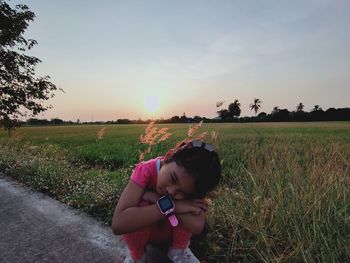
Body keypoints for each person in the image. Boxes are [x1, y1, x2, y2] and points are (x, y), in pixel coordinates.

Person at [112, 139, 222, 263]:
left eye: (183, 193)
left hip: (168, 236)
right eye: (173, 178)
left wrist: (157, 199)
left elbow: (197, 226)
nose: (171, 191)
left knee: (190, 207)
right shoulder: (146, 170)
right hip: (144, 233)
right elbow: (118, 224)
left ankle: (178, 251)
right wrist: (174, 206)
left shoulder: (195, 181)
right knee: (142, 204)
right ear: (169, 156)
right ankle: (137, 255)